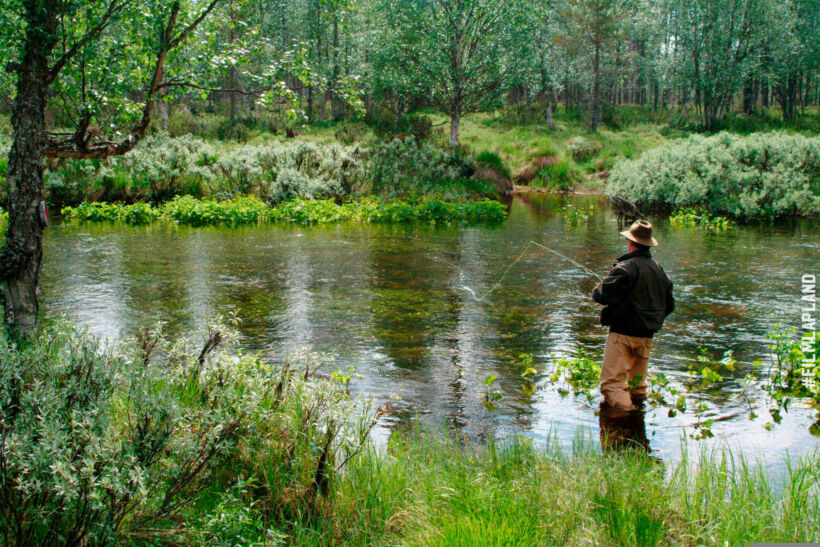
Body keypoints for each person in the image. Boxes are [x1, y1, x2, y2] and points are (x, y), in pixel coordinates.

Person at [592, 220, 674, 411]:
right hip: (647, 336)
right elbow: (670, 306)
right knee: (637, 385)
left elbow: (600, 295)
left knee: (612, 385)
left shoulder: (626, 268)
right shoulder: (659, 270)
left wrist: (599, 286)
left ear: (631, 242)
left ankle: (625, 419)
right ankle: (637, 426)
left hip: (622, 335)